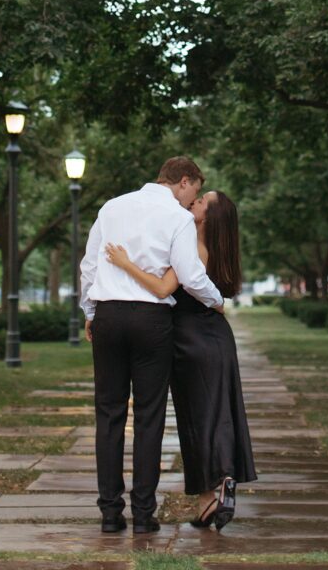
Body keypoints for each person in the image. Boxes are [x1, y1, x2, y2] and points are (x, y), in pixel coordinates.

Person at [79, 157, 224, 535]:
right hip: (151, 321)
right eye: (195, 189)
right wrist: (217, 300)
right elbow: (191, 275)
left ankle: (110, 514)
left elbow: (89, 265)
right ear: (184, 181)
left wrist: (90, 310)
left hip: (109, 315)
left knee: (108, 415)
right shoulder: (176, 219)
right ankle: (144, 514)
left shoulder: (111, 207)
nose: (193, 199)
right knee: (149, 417)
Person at [105, 188, 257, 531]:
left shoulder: (193, 248)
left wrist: (126, 263)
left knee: (198, 420)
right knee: (213, 416)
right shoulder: (216, 249)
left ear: (207, 216)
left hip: (192, 344)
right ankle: (210, 498)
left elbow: (162, 289)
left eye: (202, 201)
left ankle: (218, 483)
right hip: (214, 340)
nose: (194, 200)